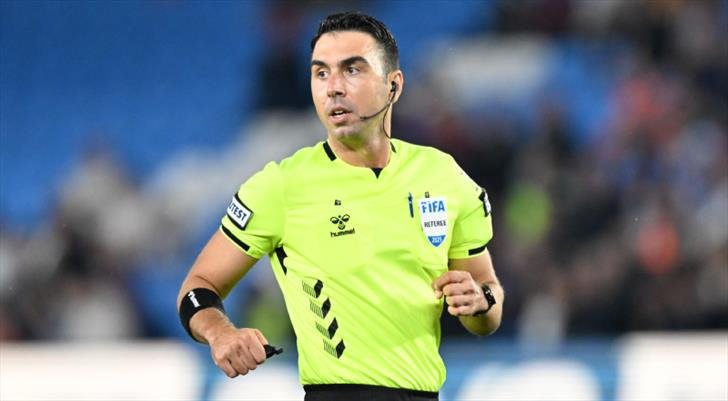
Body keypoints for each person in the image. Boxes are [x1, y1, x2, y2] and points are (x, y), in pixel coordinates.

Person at [177, 11, 504, 401]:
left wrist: (480, 301)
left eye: (352, 70)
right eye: (321, 73)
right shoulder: (281, 185)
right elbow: (198, 287)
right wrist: (221, 333)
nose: (333, 88)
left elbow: (488, 301)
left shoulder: (443, 176)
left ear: (393, 85)